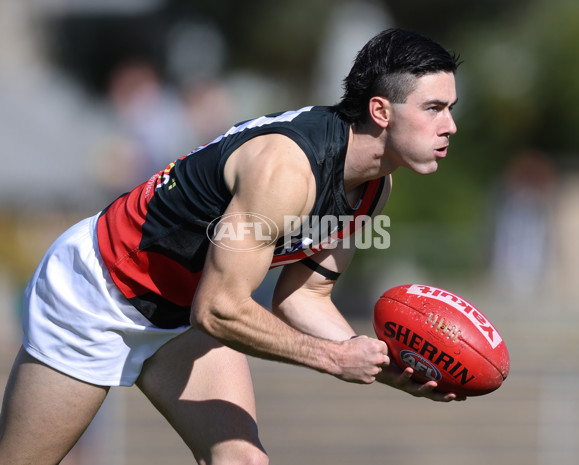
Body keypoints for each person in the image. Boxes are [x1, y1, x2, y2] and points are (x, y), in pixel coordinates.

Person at [0, 28, 461, 465]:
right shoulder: (287, 168)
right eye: (434, 108)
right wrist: (333, 358)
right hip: (102, 290)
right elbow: (219, 309)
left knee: (241, 459)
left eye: (451, 108)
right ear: (381, 112)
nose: (450, 126)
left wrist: (383, 364)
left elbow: (303, 296)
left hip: (182, 312)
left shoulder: (375, 187)